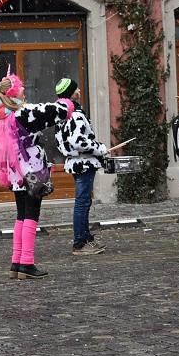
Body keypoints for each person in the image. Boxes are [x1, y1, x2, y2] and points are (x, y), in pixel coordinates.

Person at [0, 73, 74, 279]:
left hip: (15, 173)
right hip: (32, 171)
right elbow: (60, 111)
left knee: (21, 215)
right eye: (19, 87)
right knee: (31, 215)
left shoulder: (1, 116)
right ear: (11, 92)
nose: (23, 90)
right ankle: (27, 263)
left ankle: (16, 263)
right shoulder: (23, 112)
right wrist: (65, 100)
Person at [54, 77, 107, 256]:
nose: (79, 92)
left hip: (75, 162)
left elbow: (62, 142)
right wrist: (100, 148)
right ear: (71, 93)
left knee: (84, 201)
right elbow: (79, 142)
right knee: (82, 202)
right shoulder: (75, 114)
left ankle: (86, 238)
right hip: (83, 162)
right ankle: (80, 243)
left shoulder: (62, 114)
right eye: (76, 89)